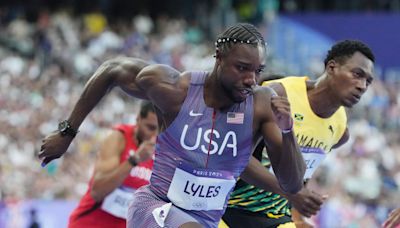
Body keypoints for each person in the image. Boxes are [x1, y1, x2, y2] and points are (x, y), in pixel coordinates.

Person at [39, 23, 306, 227]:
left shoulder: (261, 104)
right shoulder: (176, 90)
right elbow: (112, 69)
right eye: (242, 68)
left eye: (258, 71)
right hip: (156, 207)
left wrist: (287, 131)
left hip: (206, 220)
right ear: (219, 58)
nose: (251, 79)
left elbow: (292, 184)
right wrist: (67, 131)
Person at [222, 40, 375, 228]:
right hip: (229, 208)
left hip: (276, 218)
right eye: (357, 74)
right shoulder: (277, 93)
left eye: (368, 81)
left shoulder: (340, 129)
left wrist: (298, 216)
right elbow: (232, 156)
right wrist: (292, 193)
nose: (362, 86)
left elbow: (300, 173)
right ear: (332, 67)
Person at [68, 101, 158, 227]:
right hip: (90, 223)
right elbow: (97, 191)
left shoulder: (164, 152)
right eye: (150, 128)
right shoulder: (119, 138)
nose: (155, 136)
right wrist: (134, 160)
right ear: (138, 119)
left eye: (161, 129)